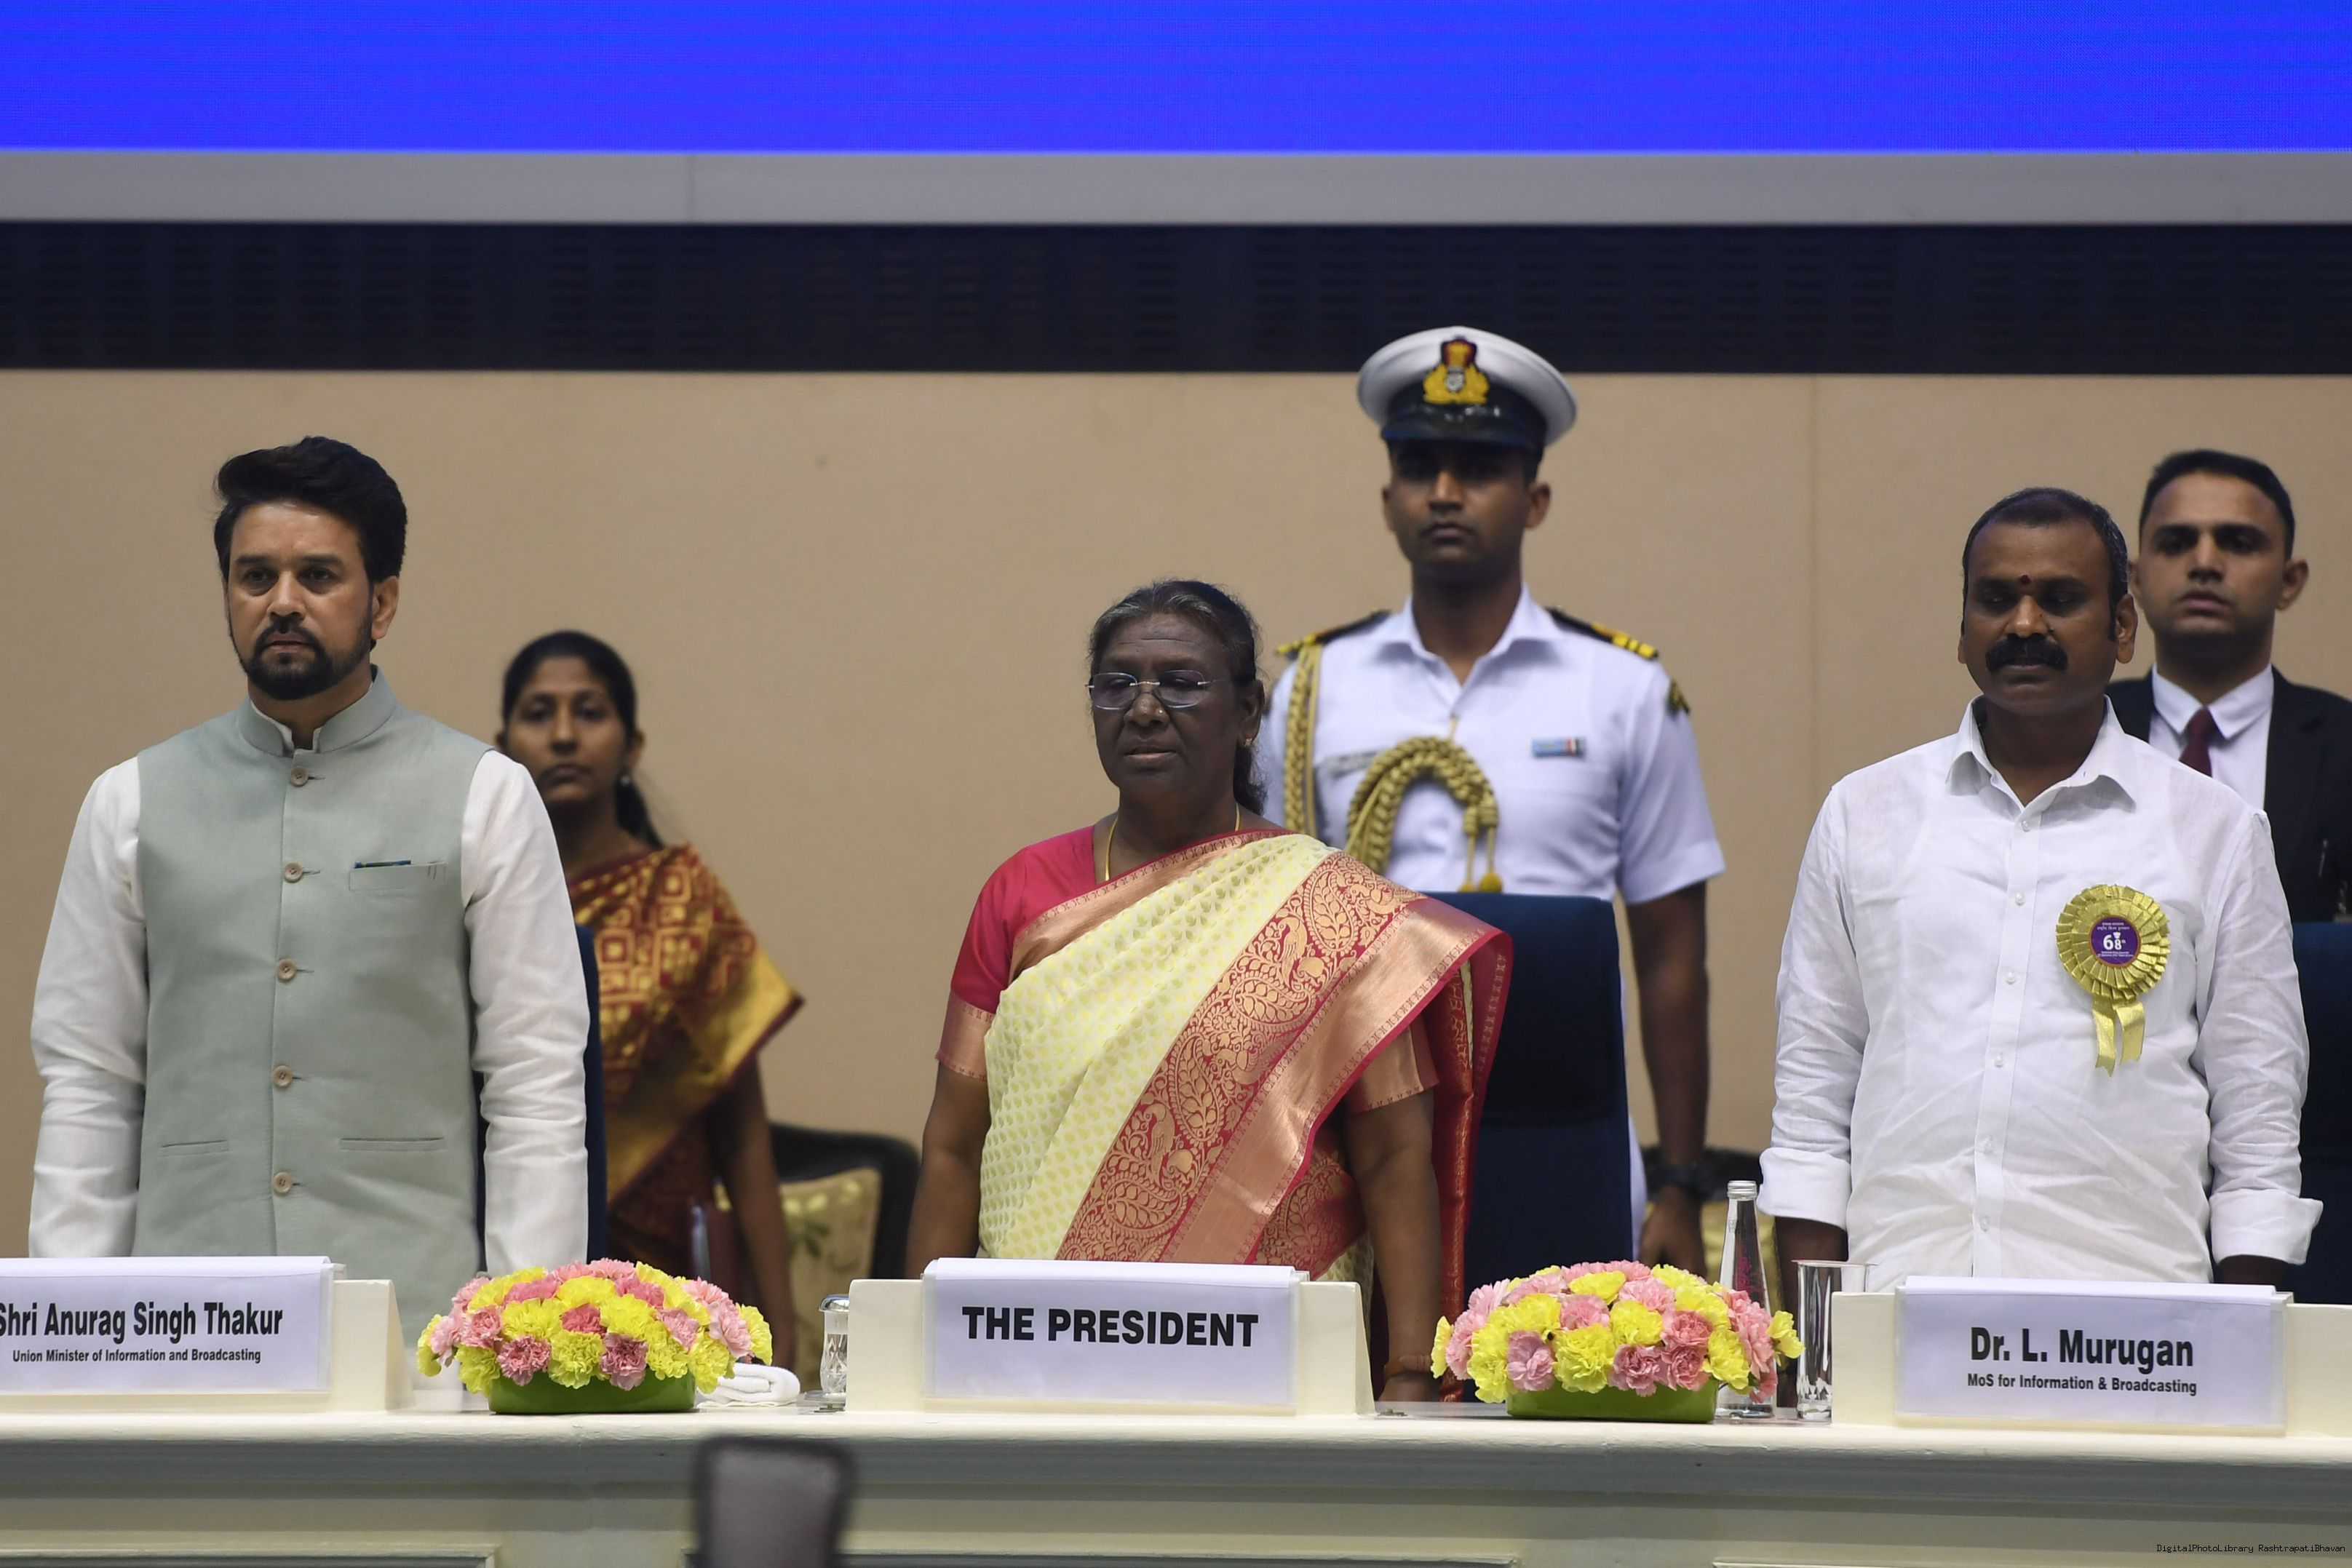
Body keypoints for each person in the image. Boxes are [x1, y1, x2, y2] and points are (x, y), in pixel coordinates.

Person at [29, 437, 588, 1343]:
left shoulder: (484, 795)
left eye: (318, 575)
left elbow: (534, 1083)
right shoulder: (129, 801)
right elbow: (91, 1082)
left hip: (413, 1331)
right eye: (256, 577)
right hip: (183, 1329)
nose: (283, 601)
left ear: (383, 602)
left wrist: (520, 1331)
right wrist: (72, 1336)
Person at [906, 580, 1509, 1401]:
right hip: (1034, 1356)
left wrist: (1408, 1373)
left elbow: (1395, 1154)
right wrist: (915, 1357)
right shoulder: (1020, 892)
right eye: (1117, 684)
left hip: (1264, 1366)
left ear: (1248, 711)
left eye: (1182, 683)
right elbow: (952, 1145)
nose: (1144, 709)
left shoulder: (1330, 915)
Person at [1762, 486, 2317, 1289]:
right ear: (1962, 630)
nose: (2024, 625)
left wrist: (2231, 1338)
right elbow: (1813, 1100)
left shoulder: (2217, 830)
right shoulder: (1864, 813)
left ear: (2121, 627)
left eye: (2059, 599)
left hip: (2133, 1319)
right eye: (1995, 600)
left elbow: (2258, 1120)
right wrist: (1819, 1338)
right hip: (1900, 1302)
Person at [1266, 326, 1722, 1271]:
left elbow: (1672, 952)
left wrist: (1680, 1179)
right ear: (1386, 498)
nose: (1444, 491)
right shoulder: (1313, 686)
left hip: (1563, 1117)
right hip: (1364, 1111)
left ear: (1535, 498)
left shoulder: (1622, 689)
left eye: (1478, 468)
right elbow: (1270, 935)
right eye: (1418, 467)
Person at [498, 631, 801, 1360]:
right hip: (518, 1262)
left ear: (631, 745)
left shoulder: (681, 900)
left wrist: (785, 1336)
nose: (564, 734)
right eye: (539, 713)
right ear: (502, 748)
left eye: (589, 712)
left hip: (666, 1282)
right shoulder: (484, 903)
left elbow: (742, 1134)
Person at [2108, 449, 2352, 923]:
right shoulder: (2076, 734)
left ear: (2289, 580)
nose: (2204, 563)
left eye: (2238, 543)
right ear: (2135, 579)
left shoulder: (2345, 745)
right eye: (2176, 543)